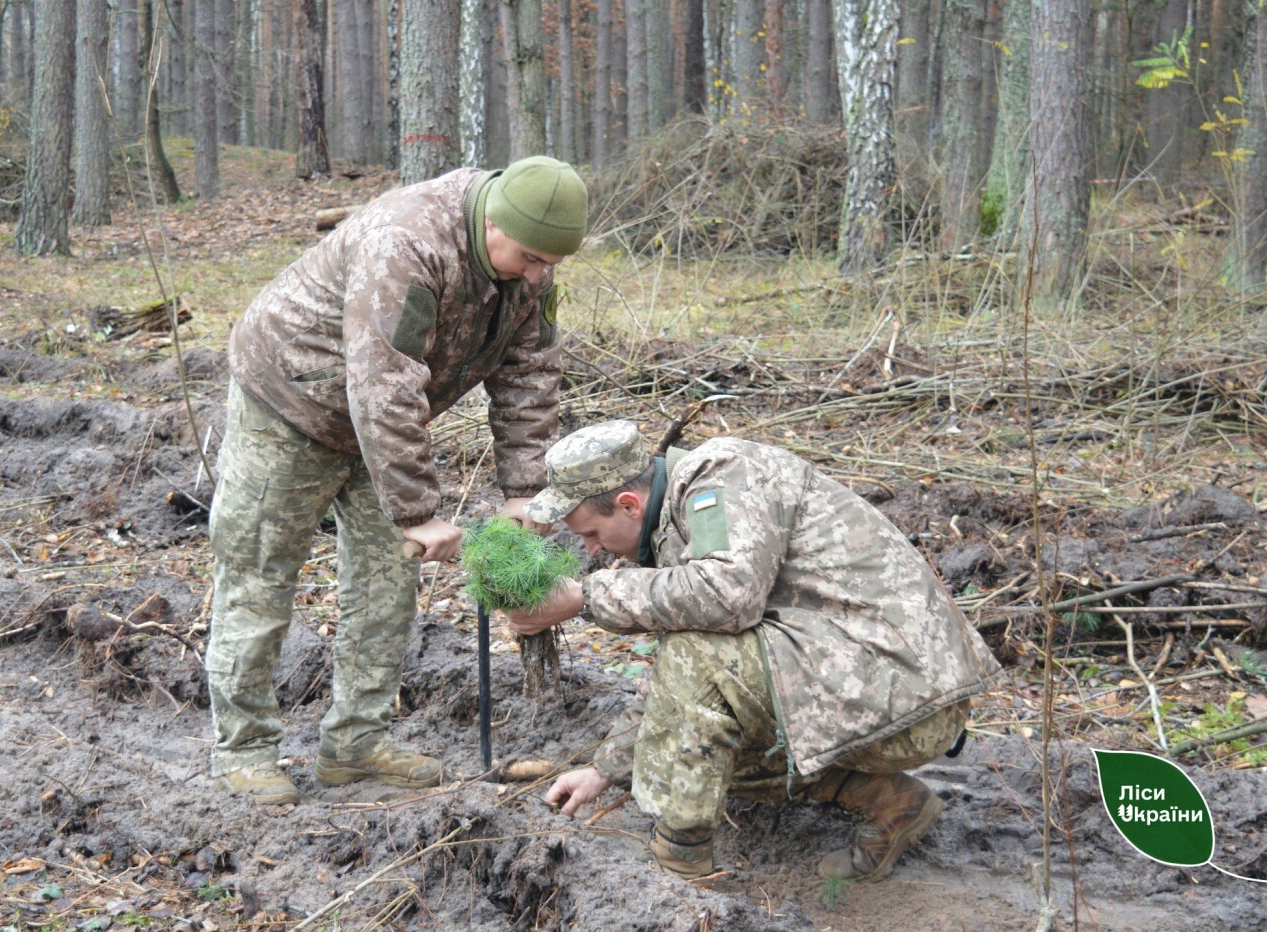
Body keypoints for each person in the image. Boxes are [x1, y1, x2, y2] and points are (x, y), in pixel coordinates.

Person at [206, 156, 589, 805]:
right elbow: (383, 381)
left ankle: (356, 743)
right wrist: (418, 511)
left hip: (377, 420)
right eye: (528, 257)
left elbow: (529, 377)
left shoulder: (531, 273)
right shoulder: (407, 242)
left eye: (550, 262)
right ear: (491, 219)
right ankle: (242, 748)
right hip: (290, 400)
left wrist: (524, 492)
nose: (538, 275)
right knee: (259, 570)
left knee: (388, 580)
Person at [505, 420, 1004, 881]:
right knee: (685, 737)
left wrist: (586, 598)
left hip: (908, 694)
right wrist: (605, 768)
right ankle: (888, 801)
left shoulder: (721, 473)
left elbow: (727, 598)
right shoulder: (674, 522)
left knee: (696, 669)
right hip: (866, 683)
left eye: (591, 534)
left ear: (630, 504)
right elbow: (678, 686)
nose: (591, 551)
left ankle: (680, 862)